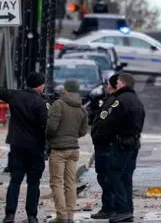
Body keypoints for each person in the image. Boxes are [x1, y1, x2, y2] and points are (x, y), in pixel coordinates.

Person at [0, 72, 49, 223]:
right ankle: (32, 215)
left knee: (15, 181)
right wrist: (47, 146)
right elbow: (45, 127)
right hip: (35, 148)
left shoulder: (16, 96)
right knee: (33, 183)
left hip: (17, 146)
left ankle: (10, 214)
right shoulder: (40, 103)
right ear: (40, 85)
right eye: (43, 84)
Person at [97, 73, 145, 223]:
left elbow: (109, 121)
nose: (115, 85)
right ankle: (128, 209)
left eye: (117, 82)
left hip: (121, 143)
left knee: (114, 175)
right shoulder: (136, 100)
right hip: (133, 142)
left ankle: (122, 209)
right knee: (126, 178)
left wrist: (104, 135)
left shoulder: (120, 101)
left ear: (123, 84)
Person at [47, 80, 88, 223]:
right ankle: (70, 215)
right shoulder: (82, 109)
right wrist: (71, 136)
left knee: (56, 183)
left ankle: (61, 215)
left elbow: (51, 127)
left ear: (65, 90)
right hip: (74, 149)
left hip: (58, 150)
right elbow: (83, 131)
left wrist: (50, 137)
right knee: (70, 183)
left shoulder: (58, 105)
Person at [89, 74, 120, 220]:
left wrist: (99, 136)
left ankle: (109, 207)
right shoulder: (111, 100)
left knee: (106, 178)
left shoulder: (114, 101)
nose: (106, 86)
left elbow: (106, 123)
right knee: (105, 178)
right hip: (105, 145)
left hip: (107, 146)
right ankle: (110, 206)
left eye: (108, 84)